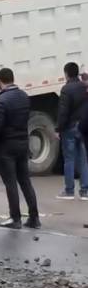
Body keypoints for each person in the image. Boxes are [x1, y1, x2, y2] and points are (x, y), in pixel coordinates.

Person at [0, 68, 40, 229]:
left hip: (7, 146)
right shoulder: (24, 96)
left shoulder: (3, 101)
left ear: (0, 80)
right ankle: (34, 218)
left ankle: (15, 218)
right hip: (22, 143)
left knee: (10, 183)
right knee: (25, 181)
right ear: (12, 78)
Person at [56, 62, 88, 200]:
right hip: (82, 126)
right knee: (83, 159)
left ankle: (69, 191)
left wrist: (59, 128)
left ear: (67, 73)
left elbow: (63, 112)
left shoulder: (66, 89)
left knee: (69, 159)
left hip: (69, 127)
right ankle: (85, 191)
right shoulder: (84, 87)